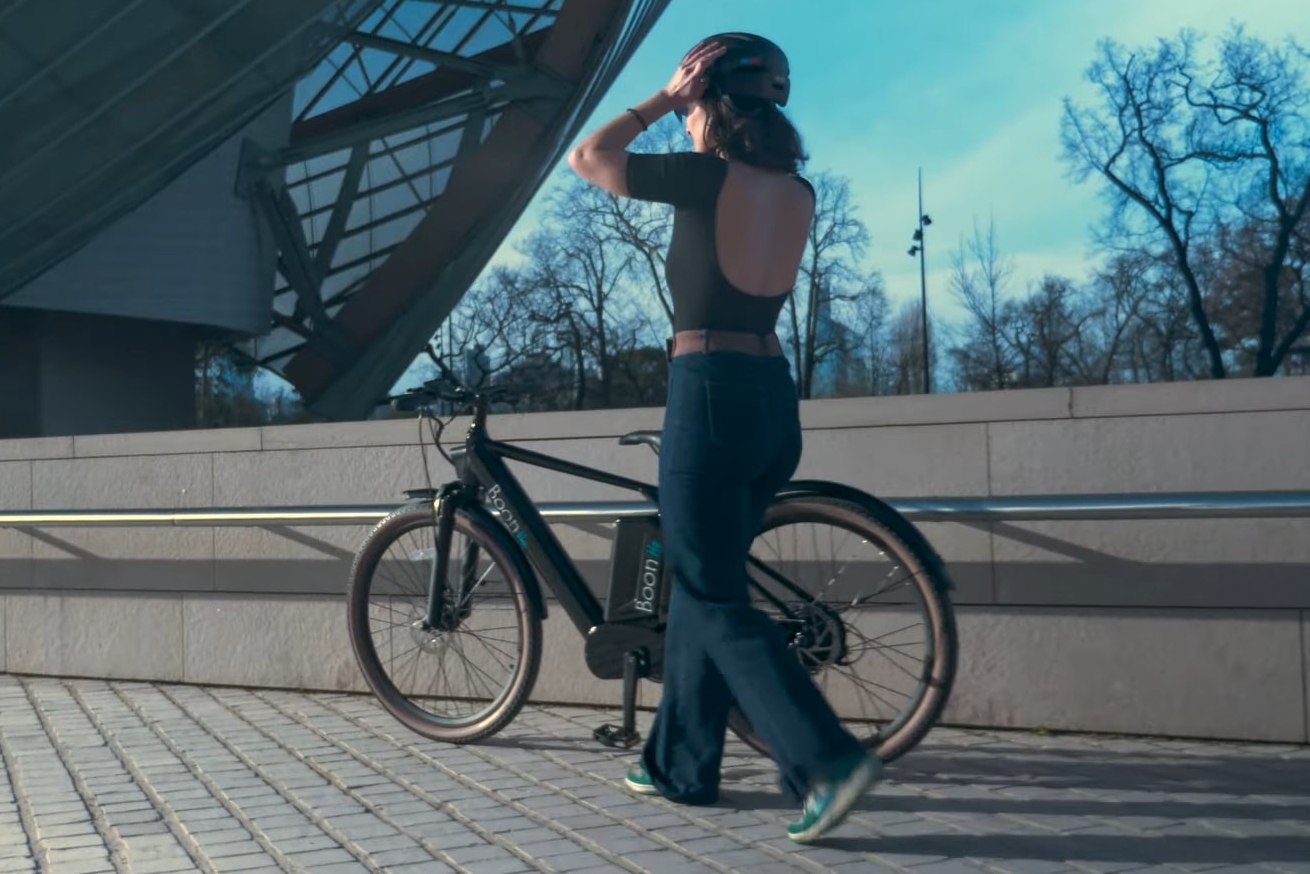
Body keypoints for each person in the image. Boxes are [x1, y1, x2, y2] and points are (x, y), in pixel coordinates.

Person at [566, 32, 881, 844]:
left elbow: (589, 156)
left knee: (709, 594)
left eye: (691, 107)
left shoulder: (705, 177)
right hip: (774, 404)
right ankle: (679, 762)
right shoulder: (799, 192)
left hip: (705, 395)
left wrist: (664, 98)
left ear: (709, 101)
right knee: (710, 587)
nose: (681, 122)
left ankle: (824, 759)